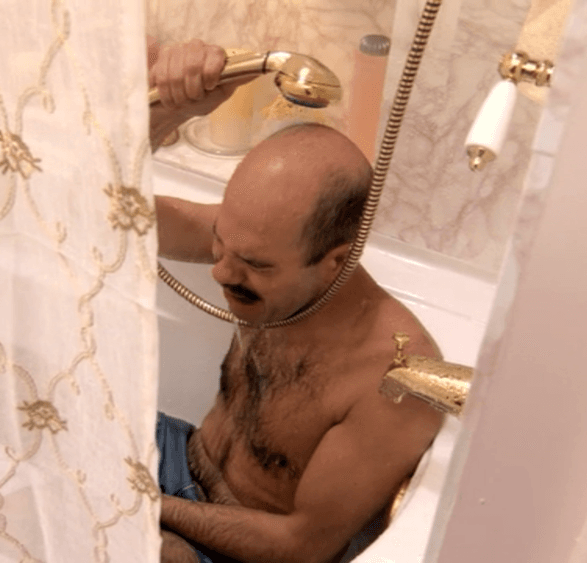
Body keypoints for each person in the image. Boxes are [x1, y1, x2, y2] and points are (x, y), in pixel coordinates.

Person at [148, 38, 444, 563]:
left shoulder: (392, 380)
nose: (220, 272)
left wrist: (144, 507)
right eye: (219, 242)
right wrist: (172, 109)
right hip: (180, 462)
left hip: (249, 549)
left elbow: (301, 545)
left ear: (335, 261)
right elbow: (107, 209)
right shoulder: (258, 244)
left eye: (255, 265)